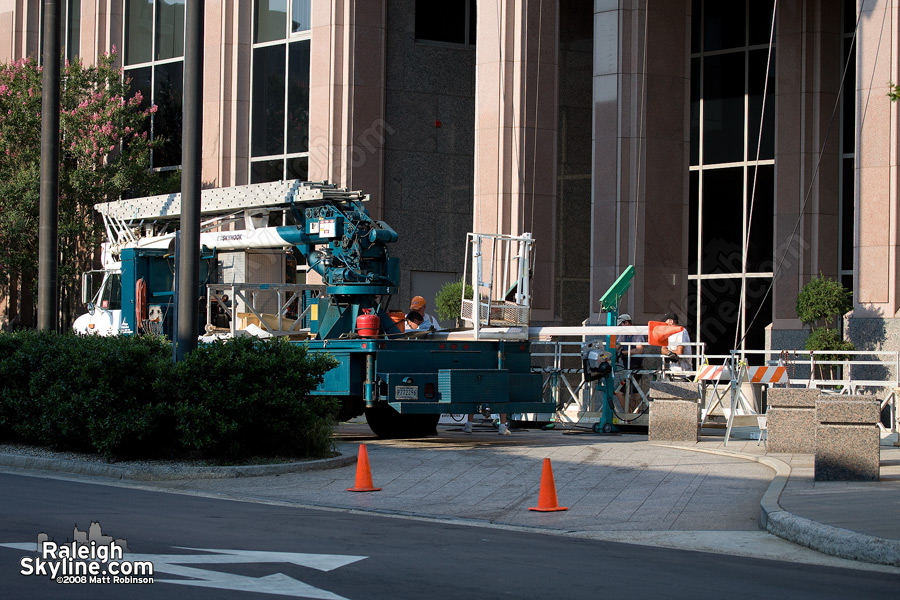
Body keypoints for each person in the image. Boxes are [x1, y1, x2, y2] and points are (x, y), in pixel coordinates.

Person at [614, 314, 646, 412]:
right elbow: (617, 347)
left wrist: (624, 352)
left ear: (627, 322)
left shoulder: (637, 334)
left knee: (619, 392)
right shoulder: (623, 335)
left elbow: (639, 350)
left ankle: (628, 415)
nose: (620, 328)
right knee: (635, 393)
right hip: (627, 368)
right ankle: (635, 415)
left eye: (621, 325)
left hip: (635, 368)